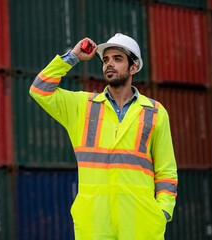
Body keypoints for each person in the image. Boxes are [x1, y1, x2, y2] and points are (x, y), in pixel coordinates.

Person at [29, 33, 178, 240]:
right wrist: (73, 56)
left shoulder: (154, 112)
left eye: (117, 59)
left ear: (133, 67)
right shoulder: (82, 107)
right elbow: (39, 90)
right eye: (106, 60)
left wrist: (162, 212)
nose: (109, 64)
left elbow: (166, 171)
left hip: (142, 224)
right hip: (94, 224)